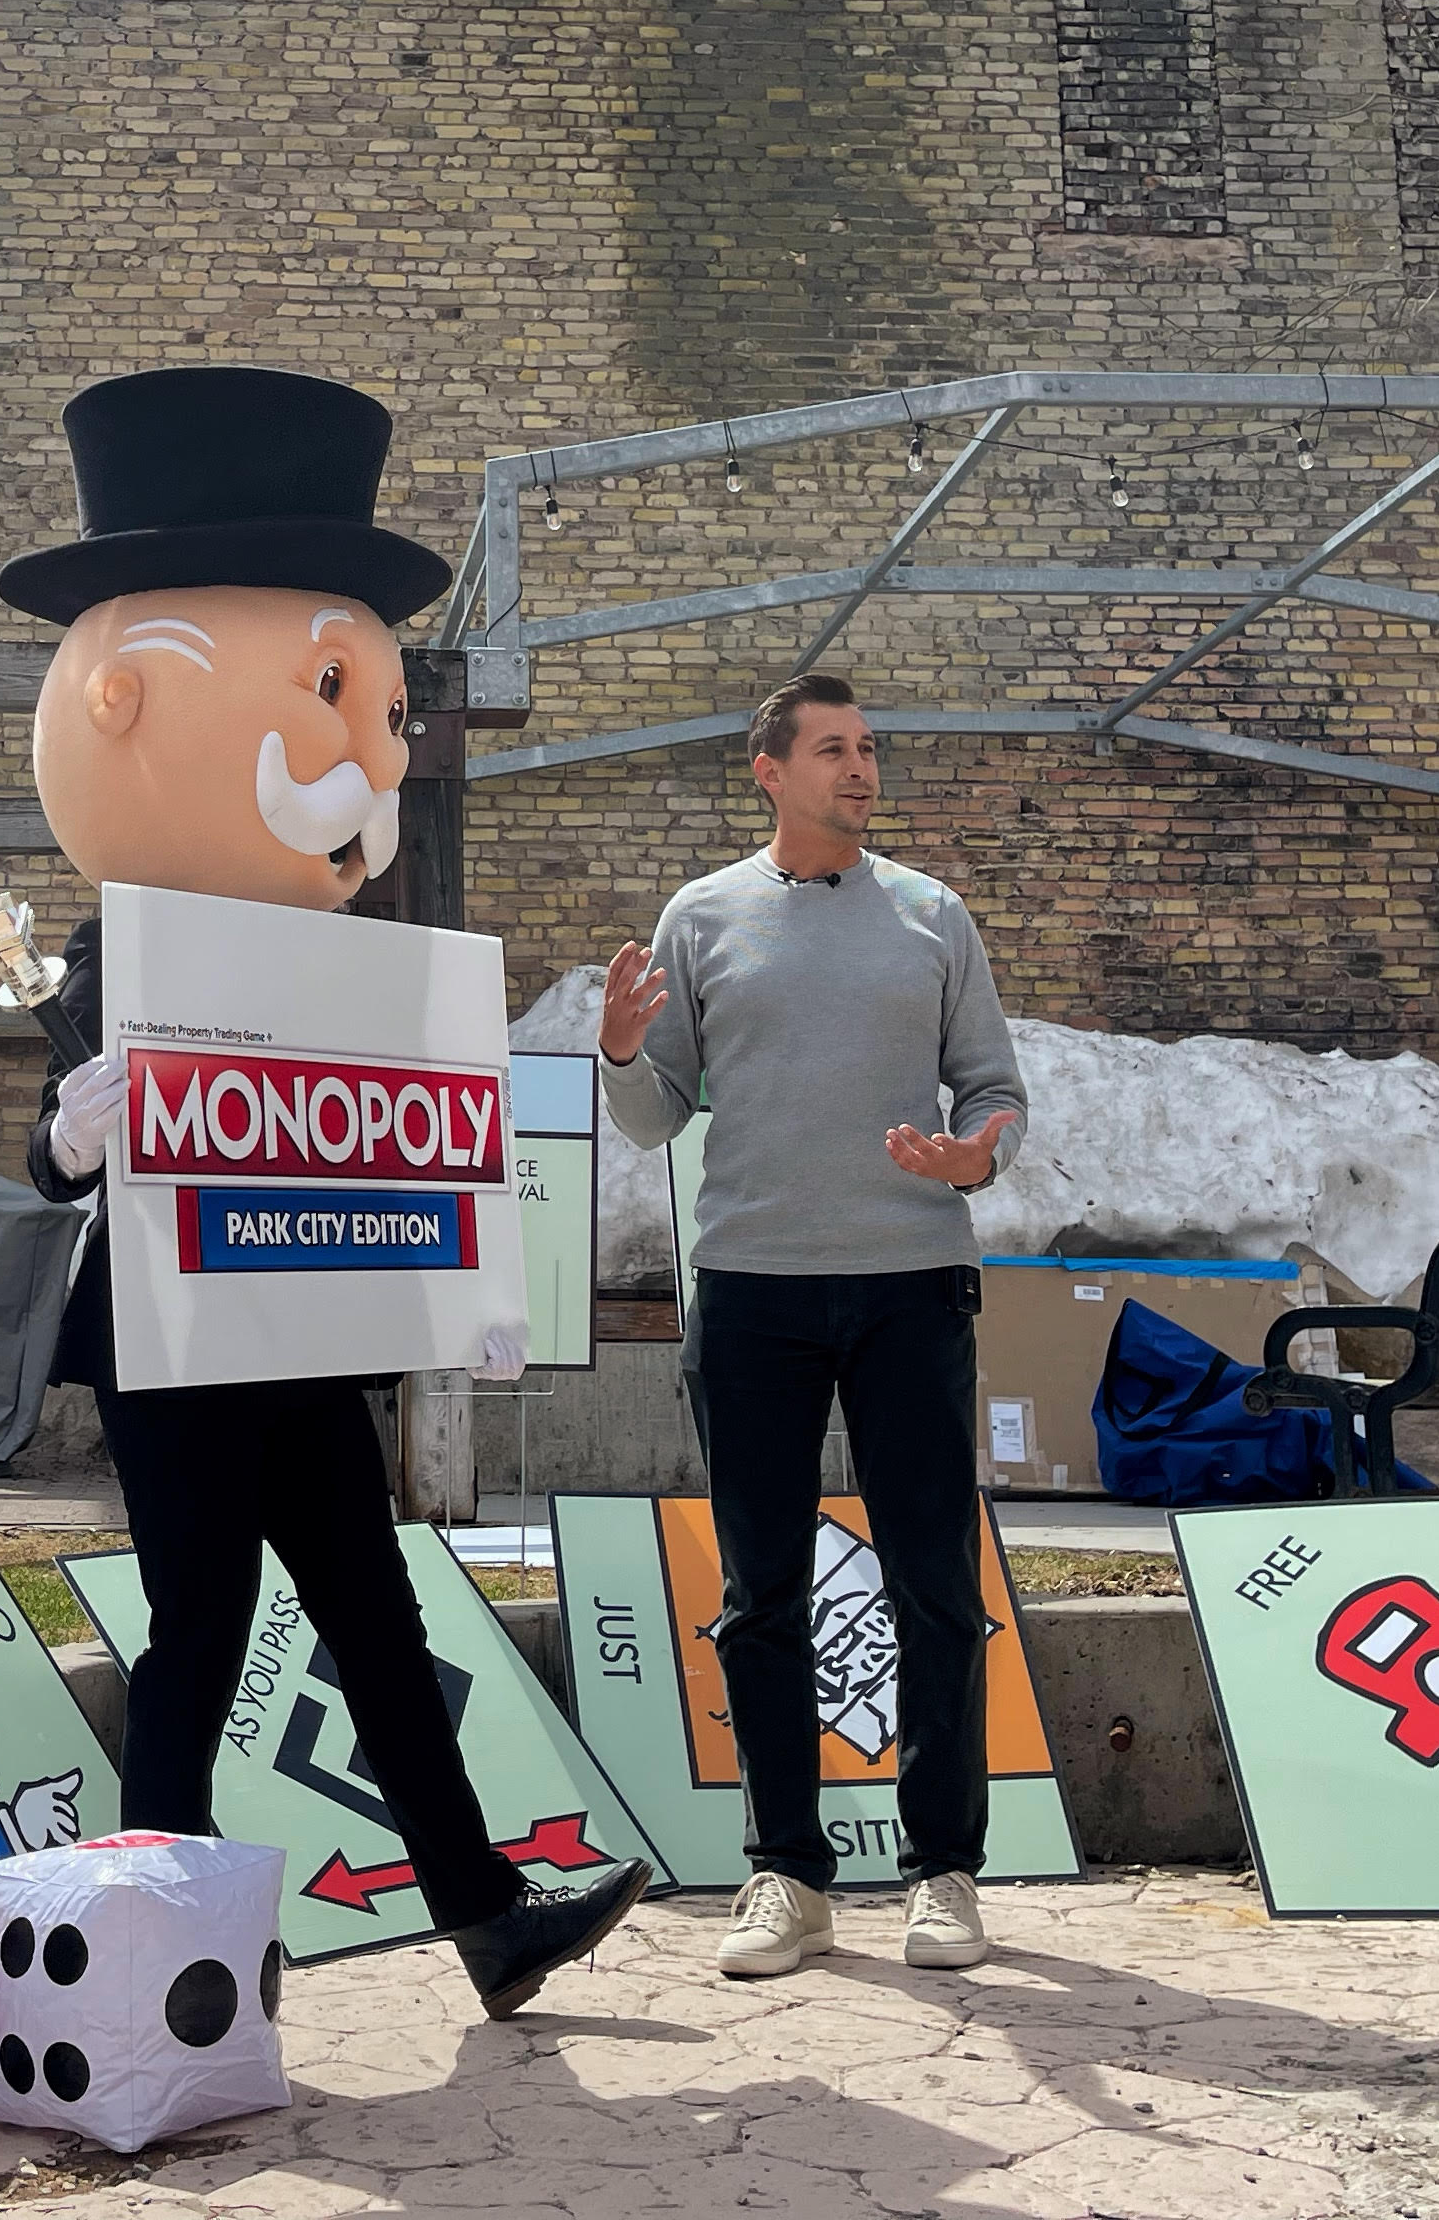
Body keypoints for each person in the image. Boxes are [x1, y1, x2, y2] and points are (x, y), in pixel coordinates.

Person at [9, 364, 648, 2021]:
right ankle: (153, 1940)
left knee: (376, 1616)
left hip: (296, 1335)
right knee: (199, 1637)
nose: (363, 750)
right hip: (169, 1333)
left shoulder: (345, 964)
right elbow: (41, 1148)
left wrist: (461, 1244)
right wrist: (78, 1130)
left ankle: (489, 1915)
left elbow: (383, 1144)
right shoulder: (106, 953)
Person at [598, 670, 1028, 1980]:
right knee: (760, 1598)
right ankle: (787, 1874)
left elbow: (995, 1090)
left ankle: (944, 1871)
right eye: (834, 749)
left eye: (870, 749)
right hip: (751, 1291)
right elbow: (653, 1113)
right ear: (769, 769)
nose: (861, 769)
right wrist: (620, 1050)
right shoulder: (702, 916)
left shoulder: (932, 915)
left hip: (909, 1282)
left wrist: (972, 1158)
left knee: (936, 1588)